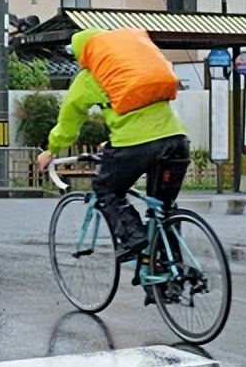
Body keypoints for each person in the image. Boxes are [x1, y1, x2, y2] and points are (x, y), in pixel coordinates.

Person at [36, 28, 190, 262]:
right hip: (176, 140)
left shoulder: (89, 77)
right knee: (163, 209)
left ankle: (132, 237)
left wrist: (51, 150)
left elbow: (69, 122)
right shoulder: (136, 68)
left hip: (135, 145)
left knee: (106, 188)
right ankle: (172, 273)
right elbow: (146, 116)